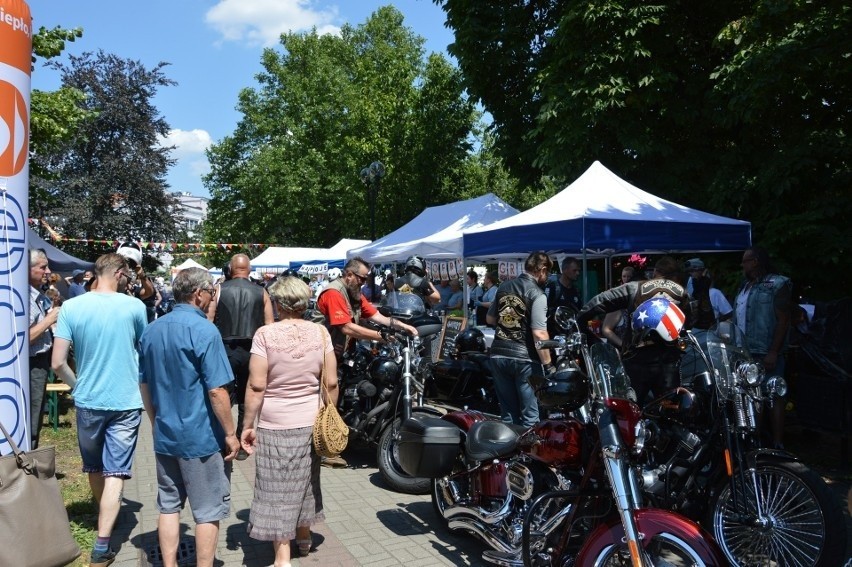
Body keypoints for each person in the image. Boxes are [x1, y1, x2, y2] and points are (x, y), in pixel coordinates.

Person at [51, 253, 148, 567]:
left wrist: (77, 386)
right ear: (119, 272)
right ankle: (102, 544)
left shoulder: (71, 307)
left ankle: (104, 515)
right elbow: (143, 353)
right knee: (115, 473)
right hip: (126, 401)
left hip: (88, 400)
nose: (129, 281)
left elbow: (57, 363)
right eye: (128, 275)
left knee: (94, 468)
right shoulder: (134, 307)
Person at [138, 267, 239, 567]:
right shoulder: (206, 331)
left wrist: (155, 421)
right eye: (211, 292)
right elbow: (217, 390)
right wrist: (231, 434)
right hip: (201, 437)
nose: (213, 298)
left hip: (166, 432)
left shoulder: (152, 329)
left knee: (168, 506)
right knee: (207, 511)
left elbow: (144, 384)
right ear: (198, 294)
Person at [240, 276, 338, 565]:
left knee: (275, 488)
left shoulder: (265, 335)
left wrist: (247, 424)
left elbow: (257, 386)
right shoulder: (321, 334)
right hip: (312, 421)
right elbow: (330, 382)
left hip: (274, 423)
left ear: (279, 303)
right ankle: (304, 538)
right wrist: (331, 413)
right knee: (307, 481)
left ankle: (282, 557)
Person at [576, 256, 693, 406]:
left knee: (631, 411)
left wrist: (579, 321)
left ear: (655, 272)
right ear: (676, 276)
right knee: (670, 411)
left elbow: (599, 302)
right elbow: (688, 323)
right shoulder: (683, 295)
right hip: (668, 361)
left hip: (637, 359)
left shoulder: (635, 288)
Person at [209, 253, 274, 459]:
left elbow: (209, 321)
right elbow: (270, 325)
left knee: (224, 393)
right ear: (249, 269)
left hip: (225, 348)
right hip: (253, 349)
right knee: (249, 393)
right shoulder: (261, 291)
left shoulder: (219, 289)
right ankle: (241, 436)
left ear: (230, 268)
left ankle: (225, 438)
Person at [486, 252, 554, 426]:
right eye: (548, 273)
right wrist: (548, 365)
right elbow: (539, 333)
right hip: (525, 360)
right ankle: (529, 453)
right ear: (542, 270)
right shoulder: (537, 294)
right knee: (530, 416)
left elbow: (490, 319)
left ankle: (509, 451)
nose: (547, 277)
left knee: (508, 414)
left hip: (499, 354)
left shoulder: (503, 287)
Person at [733, 246, 792, 449]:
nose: (742, 265)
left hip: (766, 351)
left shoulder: (778, 284)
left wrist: (774, 351)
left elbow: (783, 320)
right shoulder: (744, 286)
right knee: (751, 397)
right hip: (744, 352)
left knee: (774, 395)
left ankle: (777, 444)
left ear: (756, 261)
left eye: (745, 261)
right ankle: (754, 443)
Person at [318, 257, 419, 363]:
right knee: (331, 380)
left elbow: (376, 316)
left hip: (343, 352)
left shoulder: (353, 293)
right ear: (349, 275)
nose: (364, 282)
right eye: (362, 278)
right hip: (324, 353)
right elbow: (346, 328)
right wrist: (382, 336)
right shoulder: (334, 293)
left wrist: (404, 326)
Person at [28, 249, 61, 449]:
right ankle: (25, 466)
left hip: (39, 363)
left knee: (37, 414)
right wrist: (49, 319)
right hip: (32, 365)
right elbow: (25, 338)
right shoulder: (23, 297)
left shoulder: (36, 295)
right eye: (43, 267)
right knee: (32, 416)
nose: (48, 271)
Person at [683, 258, 733, 328]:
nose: (691, 274)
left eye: (693, 271)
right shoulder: (692, 290)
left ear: (702, 271)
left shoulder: (715, 293)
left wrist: (715, 322)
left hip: (709, 331)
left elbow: (728, 313)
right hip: (694, 329)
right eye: (689, 272)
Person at [601, 266, 637, 350]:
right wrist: (624, 345)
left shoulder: (635, 294)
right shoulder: (616, 295)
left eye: (629, 276)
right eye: (624, 276)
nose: (626, 279)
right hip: (618, 351)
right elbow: (606, 329)